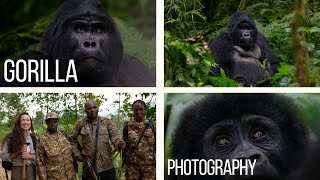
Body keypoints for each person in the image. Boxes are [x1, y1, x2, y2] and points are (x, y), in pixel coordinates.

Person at [69, 99, 126, 180]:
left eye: (94, 107)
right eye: (89, 108)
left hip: (107, 167)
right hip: (89, 167)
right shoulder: (81, 123)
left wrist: (119, 143)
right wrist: (77, 154)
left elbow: (115, 136)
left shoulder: (106, 122)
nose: (92, 110)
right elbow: (71, 139)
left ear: (98, 108)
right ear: (85, 110)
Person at [36, 112, 76, 180]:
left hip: (69, 176)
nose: (53, 124)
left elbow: (71, 154)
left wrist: (75, 169)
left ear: (58, 122)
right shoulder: (42, 139)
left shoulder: (63, 135)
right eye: (50, 121)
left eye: (55, 121)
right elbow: (40, 163)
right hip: (54, 177)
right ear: (46, 123)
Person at [123, 100, 156, 180]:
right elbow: (125, 144)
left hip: (149, 166)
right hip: (132, 167)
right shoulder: (127, 126)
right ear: (133, 110)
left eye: (141, 109)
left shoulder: (152, 125)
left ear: (145, 110)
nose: (138, 112)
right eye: (135, 109)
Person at [0, 112, 37, 180]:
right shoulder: (10, 138)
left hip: (31, 170)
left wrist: (31, 156)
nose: (25, 122)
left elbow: (40, 156)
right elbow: (3, 156)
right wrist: (17, 152)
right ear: (19, 123)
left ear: (30, 123)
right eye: (23, 120)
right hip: (17, 170)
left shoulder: (34, 138)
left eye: (27, 120)